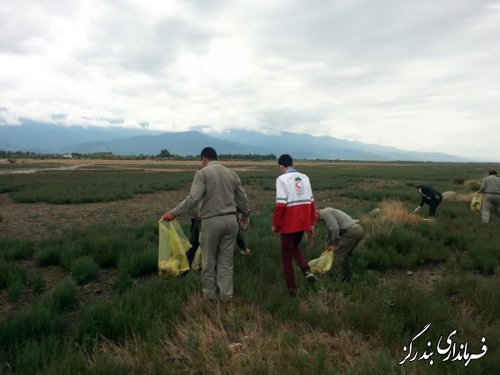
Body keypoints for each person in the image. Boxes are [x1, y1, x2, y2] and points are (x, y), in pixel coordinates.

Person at [162, 147, 249, 302]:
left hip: (211, 222)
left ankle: (210, 299)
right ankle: (226, 297)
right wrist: (244, 216)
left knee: (209, 262)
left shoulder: (202, 173)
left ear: (204, 158)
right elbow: (242, 198)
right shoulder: (232, 173)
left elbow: (193, 198)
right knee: (226, 263)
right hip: (231, 222)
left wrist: (173, 213)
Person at [272, 154, 317, 296]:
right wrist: (312, 223)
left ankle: (291, 289)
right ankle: (306, 270)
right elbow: (312, 202)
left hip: (288, 223)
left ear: (281, 166)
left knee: (286, 256)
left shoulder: (281, 179)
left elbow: (281, 204)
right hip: (303, 222)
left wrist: (276, 223)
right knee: (295, 246)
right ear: (293, 164)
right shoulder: (305, 177)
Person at [315, 207, 364, 282]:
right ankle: (348, 278)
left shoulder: (324, 213)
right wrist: (327, 247)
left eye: (313, 218)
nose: (315, 221)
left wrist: (334, 244)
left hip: (352, 232)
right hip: (357, 229)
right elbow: (330, 232)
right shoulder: (326, 212)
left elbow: (335, 228)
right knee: (345, 256)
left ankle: (335, 282)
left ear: (315, 213)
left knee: (335, 256)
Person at [186, 213, 251, 268]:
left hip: (199, 220)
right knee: (214, 254)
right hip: (210, 224)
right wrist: (244, 248)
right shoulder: (231, 212)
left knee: (192, 248)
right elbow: (237, 235)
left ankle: (183, 272)